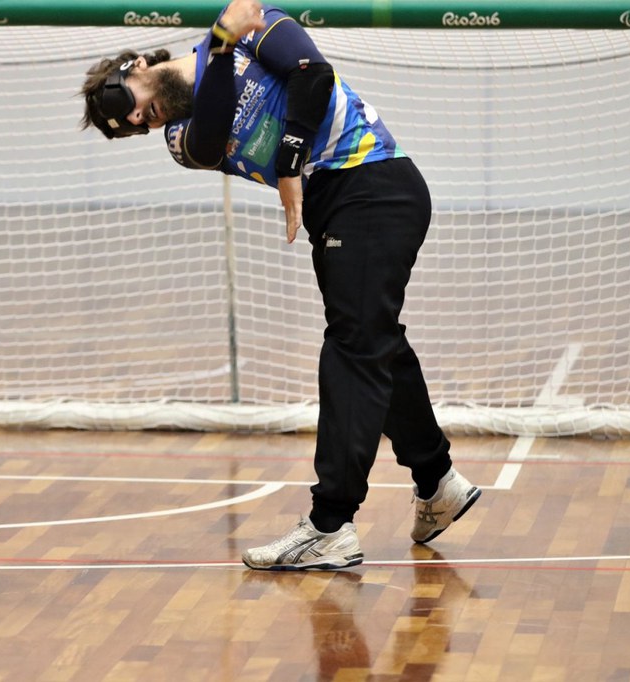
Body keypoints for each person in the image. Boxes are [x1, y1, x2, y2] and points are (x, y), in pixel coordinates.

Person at [79, 0, 481, 570]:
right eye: (131, 129)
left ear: (139, 64)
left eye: (126, 105)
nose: (142, 121)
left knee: (352, 349)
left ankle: (330, 524)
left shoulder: (251, 31)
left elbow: (312, 75)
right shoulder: (183, 139)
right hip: (334, 204)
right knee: (373, 343)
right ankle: (437, 478)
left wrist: (287, 157)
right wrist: (220, 45)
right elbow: (215, 126)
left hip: (372, 181)